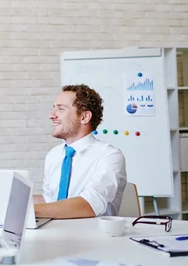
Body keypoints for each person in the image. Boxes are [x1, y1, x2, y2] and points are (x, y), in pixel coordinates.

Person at [34, 84, 127, 219]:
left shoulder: (109, 156)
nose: (51, 115)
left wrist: (29, 210)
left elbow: (89, 204)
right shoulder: (53, 155)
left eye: (60, 109)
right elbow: (50, 202)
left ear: (84, 117)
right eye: (54, 108)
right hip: (55, 233)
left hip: (92, 237)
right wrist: (10, 201)